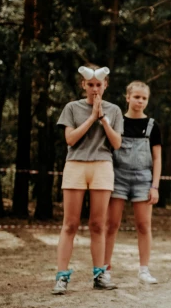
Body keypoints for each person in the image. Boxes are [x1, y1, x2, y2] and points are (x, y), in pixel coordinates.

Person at [52, 65, 124, 294]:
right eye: (90, 85)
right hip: (76, 166)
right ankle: (61, 277)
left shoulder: (114, 110)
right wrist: (91, 117)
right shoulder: (72, 107)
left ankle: (99, 274)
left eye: (99, 85)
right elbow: (70, 139)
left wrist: (102, 118)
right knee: (70, 224)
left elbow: (116, 144)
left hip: (102, 167)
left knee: (97, 224)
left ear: (105, 85)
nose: (94, 89)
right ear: (83, 85)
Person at [104, 81, 163, 285]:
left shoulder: (153, 126)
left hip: (143, 179)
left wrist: (154, 186)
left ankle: (144, 270)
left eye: (144, 98)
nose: (140, 101)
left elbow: (157, 158)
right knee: (111, 225)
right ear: (127, 97)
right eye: (136, 97)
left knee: (143, 225)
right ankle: (105, 269)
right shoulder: (116, 121)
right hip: (117, 177)